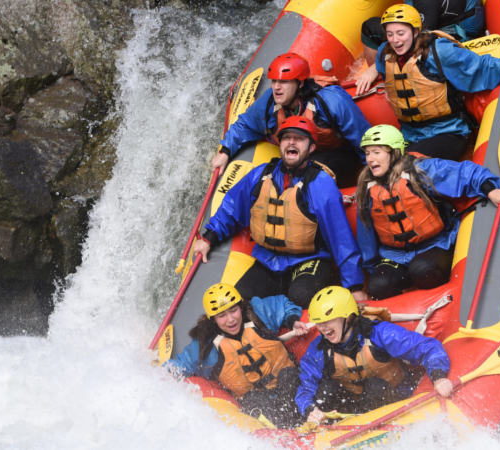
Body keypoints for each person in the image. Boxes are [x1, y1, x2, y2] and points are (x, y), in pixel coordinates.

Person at [192, 116, 368, 307]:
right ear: (280, 144)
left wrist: (355, 286)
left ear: (311, 148)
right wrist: (209, 237)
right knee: (239, 303)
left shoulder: (320, 184)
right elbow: (232, 208)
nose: (292, 142)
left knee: (301, 295)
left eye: (299, 138)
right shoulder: (260, 175)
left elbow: (341, 239)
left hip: (310, 260)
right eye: (287, 138)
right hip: (269, 261)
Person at [355, 3, 500, 161]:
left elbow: (481, 66)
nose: (395, 40)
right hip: (410, 134)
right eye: (390, 34)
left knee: (405, 169)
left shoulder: (439, 52)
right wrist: (372, 72)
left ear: (416, 31)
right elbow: (385, 69)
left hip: (448, 131)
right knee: (380, 168)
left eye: (401, 33)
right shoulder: (385, 53)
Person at [355, 124, 500, 299]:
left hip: (435, 243)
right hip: (395, 255)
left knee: (423, 271)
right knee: (378, 286)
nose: (370, 159)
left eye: (376, 152)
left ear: (394, 152)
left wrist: (490, 189)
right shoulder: (367, 187)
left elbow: (465, 173)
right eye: (367, 153)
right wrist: (372, 267)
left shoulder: (420, 170)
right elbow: (366, 234)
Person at [295, 285, 453, 423]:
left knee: (374, 388)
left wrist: (438, 376)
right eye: (319, 322)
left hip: (392, 399)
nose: (323, 328)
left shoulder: (380, 333)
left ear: (348, 317)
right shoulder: (318, 349)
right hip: (352, 408)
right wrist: (309, 410)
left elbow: (428, 348)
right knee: (325, 391)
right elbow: (306, 387)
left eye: (328, 321)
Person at [212, 52, 371, 184]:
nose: (276, 87)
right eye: (274, 81)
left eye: (284, 82)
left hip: (341, 156)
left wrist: (372, 177)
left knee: (305, 174)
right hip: (303, 157)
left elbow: (364, 140)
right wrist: (225, 151)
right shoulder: (270, 102)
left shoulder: (332, 100)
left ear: (300, 83)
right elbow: (245, 125)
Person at [165, 283, 309, 427]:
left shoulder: (258, 312)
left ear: (241, 307)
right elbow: (181, 365)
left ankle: (310, 418)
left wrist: (293, 321)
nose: (230, 319)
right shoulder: (206, 344)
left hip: (288, 382)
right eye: (222, 316)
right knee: (254, 401)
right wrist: (159, 373)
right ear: (213, 319)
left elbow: (283, 304)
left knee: (289, 376)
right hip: (255, 400)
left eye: (233, 310)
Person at [361, 0, 485, 57]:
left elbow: (420, 43)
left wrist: (376, 68)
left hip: (457, 37)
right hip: (462, 21)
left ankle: (379, 79)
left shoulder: (425, 3)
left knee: (369, 28)